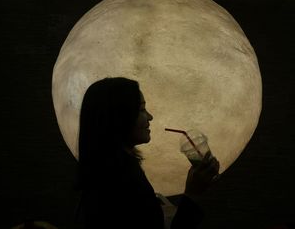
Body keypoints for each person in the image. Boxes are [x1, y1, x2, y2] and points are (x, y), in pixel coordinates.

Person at [74, 77, 220, 228]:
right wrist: (192, 195)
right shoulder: (121, 181)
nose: (150, 117)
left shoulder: (106, 171)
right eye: (142, 109)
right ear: (120, 117)